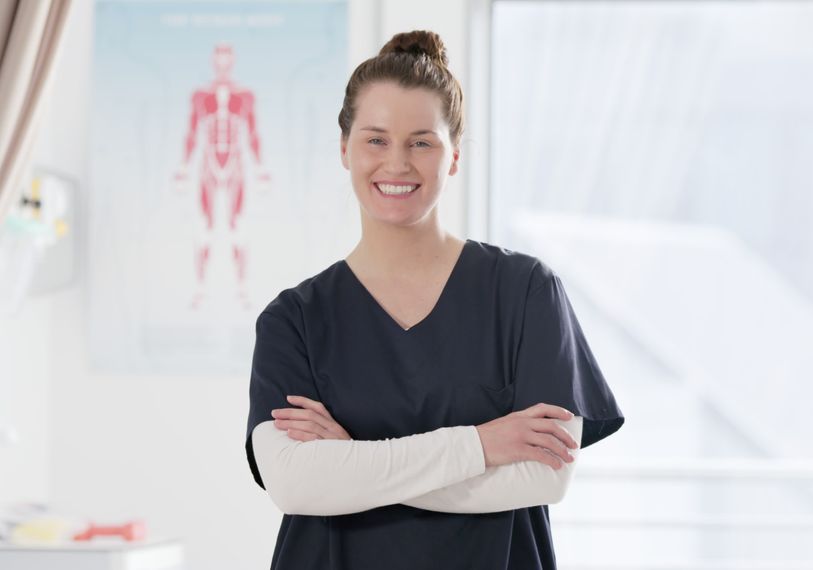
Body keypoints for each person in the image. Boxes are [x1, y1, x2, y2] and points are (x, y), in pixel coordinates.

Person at [244, 30, 625, 569]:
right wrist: (480, 446)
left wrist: (352, 461)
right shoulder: (295, 319)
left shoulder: (524, 292)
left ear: (453, 157)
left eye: (421, 141)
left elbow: (546, 474)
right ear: (344, 149)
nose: (396, 163)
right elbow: (295, 484)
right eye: (375, 139)